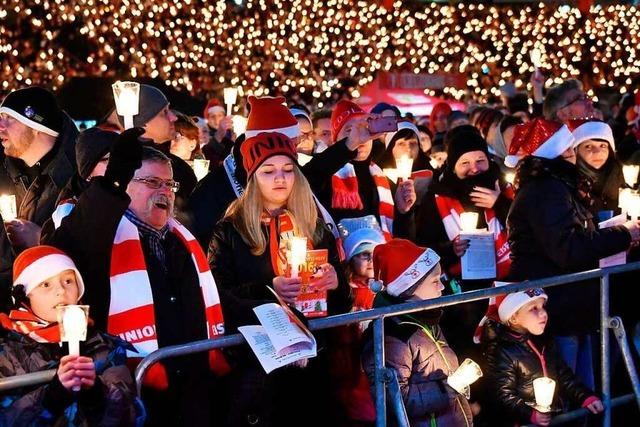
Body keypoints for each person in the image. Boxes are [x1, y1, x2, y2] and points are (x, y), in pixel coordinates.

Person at [43, 129, 229, 426]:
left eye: (170, 184)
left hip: (192, 394)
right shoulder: (100, 237)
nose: (165, 192)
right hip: (132, 395)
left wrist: (269, 305)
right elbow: (74, 242)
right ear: (125, 187)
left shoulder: (182, 240)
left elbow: (216, 301)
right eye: (152, 182)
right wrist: (112, 180)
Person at [208, 131, 351, 426]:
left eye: (288, 170)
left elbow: (341, 302)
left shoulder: (313, 224)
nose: (280, 179)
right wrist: (268, 288)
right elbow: (218, 294)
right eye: (268, 171)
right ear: (252, 178)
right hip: (256, 364)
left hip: (312, 360)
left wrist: (336, 283)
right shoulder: (230, 231)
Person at [506, 118, 640, 390]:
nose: (573, 156)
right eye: (569, 151)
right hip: (559, 305)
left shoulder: (556, 186)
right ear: (553, 155)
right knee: (571, 391)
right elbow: (569, 247)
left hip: (572, 305)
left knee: (585, 391)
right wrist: (624, 234)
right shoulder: (547, 190)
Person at [0, 245, 138, 426]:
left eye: (68, 281)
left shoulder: (103, 346)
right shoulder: (7, 354)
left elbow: (130, 415)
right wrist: (52, 396)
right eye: (45, 284)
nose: (61, 291)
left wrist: (95, 393)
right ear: (25, 297)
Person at [361, 239, 473, 427]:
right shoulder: (392, 335)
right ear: (409, 289)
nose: (442, 287)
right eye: (435, 281)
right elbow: (395, 398)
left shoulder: (428, 321)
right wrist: (447, 389)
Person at [479, 285, 604, 427]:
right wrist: (529, 414)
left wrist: (585, 397)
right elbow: (503, 395)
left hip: (551, 417)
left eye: (543, 306)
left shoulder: (544, 341)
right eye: (534, 309)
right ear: (513, 318)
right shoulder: (502, 351)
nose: (543, 313)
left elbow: (563, 375)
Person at [315, 100, 416, 239]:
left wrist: (403, 211)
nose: (358, 136)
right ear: (335, 140)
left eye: (364, 128)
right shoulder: (325, 176)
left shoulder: (383, 178)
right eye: (349, 131)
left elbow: (402, 239)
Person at [0, 86, 78, 251]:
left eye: (10, 118)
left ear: (37, 126)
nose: (1, 125)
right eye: (1, 116)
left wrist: (42, 239)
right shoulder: (4, 172)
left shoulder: (80, 177)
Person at [116, 84, 197, 210]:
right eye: (164, 112)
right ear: (144, 122)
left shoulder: (174, 162)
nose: (173, 117)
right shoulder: (129, 163)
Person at [568, 119, 623, 217]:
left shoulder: (618, 178)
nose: (597, 152)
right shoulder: (570, 186)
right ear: (576, 151)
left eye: (603, 146)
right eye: (588, 146)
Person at [202, 98, 234, 167]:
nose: (216, 120)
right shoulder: (204, 133)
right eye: (213, 116)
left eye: (220, 115)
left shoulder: (231, 133)